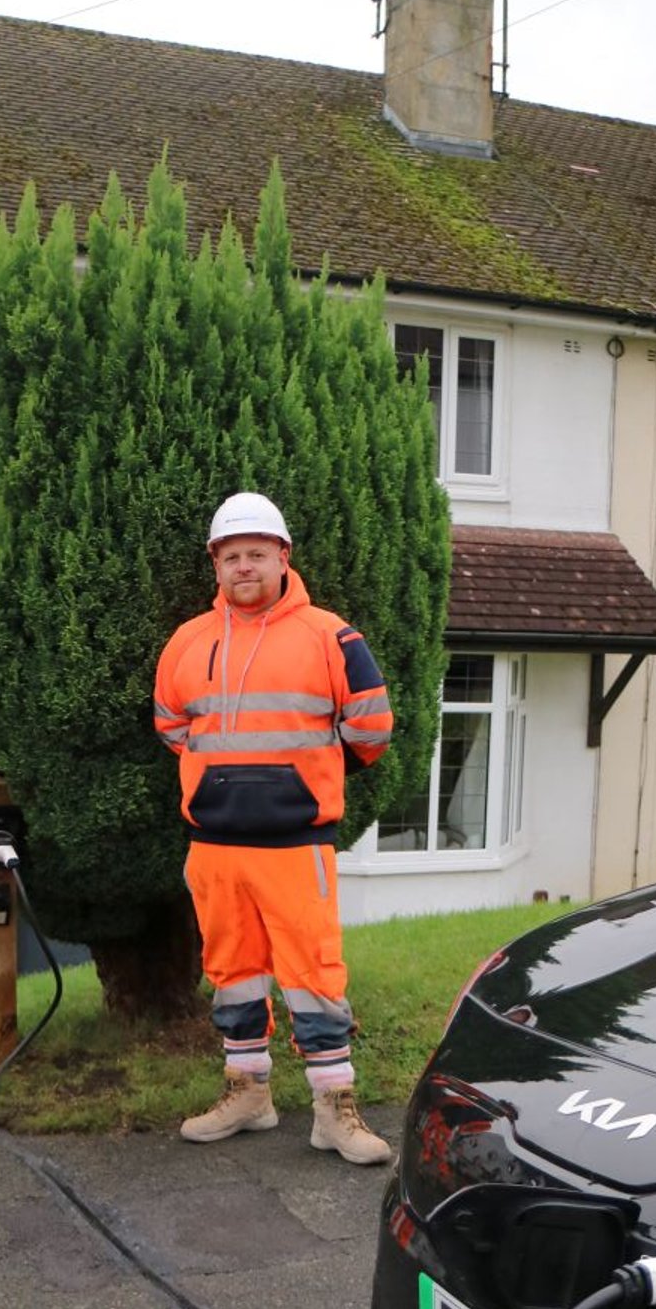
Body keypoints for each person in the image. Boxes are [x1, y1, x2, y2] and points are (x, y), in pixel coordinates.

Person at [154, 490, 394, 1167]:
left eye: (256, 553)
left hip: (295, 845)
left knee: (314, 975)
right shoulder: (187, 642)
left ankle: (334, 1110)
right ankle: (248, 1094)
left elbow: (372, 728)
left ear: (283, 557)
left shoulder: (331, 636)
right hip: (216, 847)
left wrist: (303, 778)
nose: (244, 566)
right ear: (215, 564)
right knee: (232, 973)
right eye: (231, 556)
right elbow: (170, 724)